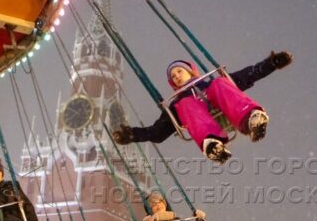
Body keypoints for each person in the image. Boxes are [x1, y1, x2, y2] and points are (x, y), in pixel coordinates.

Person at [113, 51, 293, 163]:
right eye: (173, 76)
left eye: (179, 71)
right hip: (205, 122)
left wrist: (272, 64)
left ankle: (251, 118)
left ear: (190, 71)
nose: (176, 76)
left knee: (221, 83)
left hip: (227, 108)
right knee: (185, 103)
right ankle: (212, 144)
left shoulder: (212, 83)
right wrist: (132, 135)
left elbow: (249, 75)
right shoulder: (178, 103)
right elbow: (157, 133)